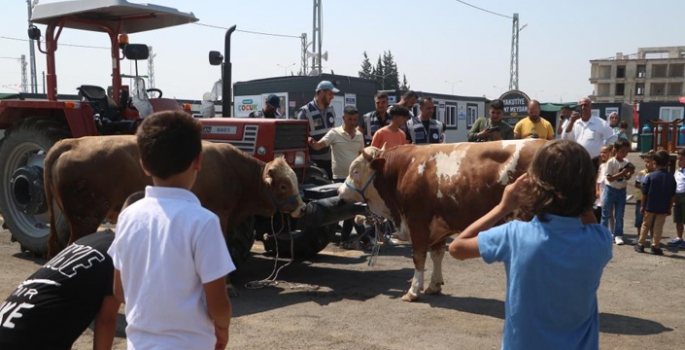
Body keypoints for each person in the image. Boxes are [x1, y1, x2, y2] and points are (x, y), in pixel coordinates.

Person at [448, 139, 612, 350]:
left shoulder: (515, 235)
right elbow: (589, 218)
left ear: (535, 183)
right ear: (589, 187)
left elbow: (457, 248)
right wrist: (582, 195)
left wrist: (502, 207)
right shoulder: (599, 240)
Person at [108, 110, 235, 350]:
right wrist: (222, 328)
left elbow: (119, 291)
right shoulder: (204, 222)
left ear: (144, 164)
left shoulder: (127, 217)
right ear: (198, 160)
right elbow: (218, 303)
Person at [0, 191, 144, 350]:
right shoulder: (116, 252)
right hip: (27, 340)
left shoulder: (90, 240)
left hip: (9, 322)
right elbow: (106, 320)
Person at [309, 106, 368, 248]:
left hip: (354, 178)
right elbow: (318, 146)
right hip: (340, 179)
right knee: (350, 208)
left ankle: (346, 239)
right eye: (350, 119)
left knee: (350, 210)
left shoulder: (359, 135)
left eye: (355, 119)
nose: (353, 122)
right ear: (343, 118)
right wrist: (310, 141)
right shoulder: (334, 133)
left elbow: (361, 154)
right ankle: (364, 238)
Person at [635, 150, 676, 255]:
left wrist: (643, 205)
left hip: (650, 205)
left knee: (645, 225)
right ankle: (655, 246)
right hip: (663, 207)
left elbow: (645, 193)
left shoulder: (650, 176)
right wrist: (670, 207)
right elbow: (672, 195)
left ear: (654, 163)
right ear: (668, 163)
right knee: (658, 227)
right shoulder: (671, 177)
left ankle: (641, 244)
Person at [297, 81, 339, 179]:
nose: (332, 97)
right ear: (321, 93)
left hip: (330, 160)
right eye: (330, 94)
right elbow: (300, 139)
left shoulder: (331, 110)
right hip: (313, 163)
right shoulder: (305, 112)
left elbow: (333, 132)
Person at [562, 97, 616, 169]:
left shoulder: (600, 123)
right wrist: (571, 121)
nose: (583, 108)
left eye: (585, 105)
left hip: (594, 163)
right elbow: (565, 138)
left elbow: (613, 138)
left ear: (591, 107)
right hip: (578, 162)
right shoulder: (574, 123)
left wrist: (605, 152)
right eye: (581, 106)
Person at [601, 139, 634, 245]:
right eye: (622, 151)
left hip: (621, 190)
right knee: (606, 214)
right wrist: (622, 173)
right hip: (610, 190)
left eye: (627, 151)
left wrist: (629, 174)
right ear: (616, 150)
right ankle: (603, 234)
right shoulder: (611, 162)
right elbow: (609, 178)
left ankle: (618, 235)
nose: (625, 153)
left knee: (619, 215)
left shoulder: (626, 162)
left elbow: (626, 178)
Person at [635, 151, 655, 244]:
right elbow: (636, 184)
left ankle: (652, 237)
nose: (646, 164)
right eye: (645, 162)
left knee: (652, 220)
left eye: (648, 162)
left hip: (651, 200)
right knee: (639, 218)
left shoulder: (655, 174)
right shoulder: (641, 173)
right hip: (640, 198)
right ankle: (639, 236)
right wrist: (644, 187)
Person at [666, 149, 685, 249]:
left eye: (681, 159)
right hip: (677, 197)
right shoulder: (677, 171)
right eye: (678, 159)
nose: (679, 161)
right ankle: (679, 237)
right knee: (678, 219)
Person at [594, 145, 613, 226]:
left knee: (609, 212)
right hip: (601, 191)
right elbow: (598, 179)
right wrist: (597, 190)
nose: (602, 154)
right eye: (601, 152)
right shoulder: (601, 166)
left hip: (609, 190)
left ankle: (611, 230)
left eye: (604, 152)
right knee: (599, 209)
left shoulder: (612, 164)